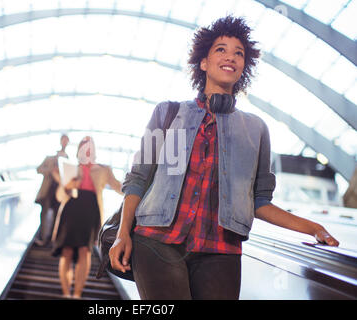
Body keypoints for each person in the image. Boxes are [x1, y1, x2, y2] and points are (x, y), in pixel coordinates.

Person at [109, 16, 339, 300]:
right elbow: (138, 180)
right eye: (221, 49)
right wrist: (122, 234)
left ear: (244, 67)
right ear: (203, 62)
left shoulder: (255, 130)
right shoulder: (167, 113)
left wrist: (313, 227)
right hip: (157, 242)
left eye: (238, 53)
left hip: (221, 252)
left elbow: (260, 202)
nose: (230, 56)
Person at [52, 136, 123, 298]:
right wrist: (67, 185)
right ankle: (65, 293)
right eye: (84, 147)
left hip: (91, 211)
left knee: (85, 250)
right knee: (67, 251)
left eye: (90, 147)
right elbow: (60, 196)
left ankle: (76, 294)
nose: (87, 150)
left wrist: (138, 190)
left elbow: (119, 187)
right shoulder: (71, 168)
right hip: (71, 209)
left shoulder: (104, 169)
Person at [34, 134, 69, 246]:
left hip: (60, 192)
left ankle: (51, 240)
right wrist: (51, 170)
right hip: (47, 191)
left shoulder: (68, 160)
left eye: (66, 141)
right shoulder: (50, 158)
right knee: (44, 214)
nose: (64, 143)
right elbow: (39, 169)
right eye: (63, 140)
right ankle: (43, 238)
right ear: (60, 141)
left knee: (57, 217)